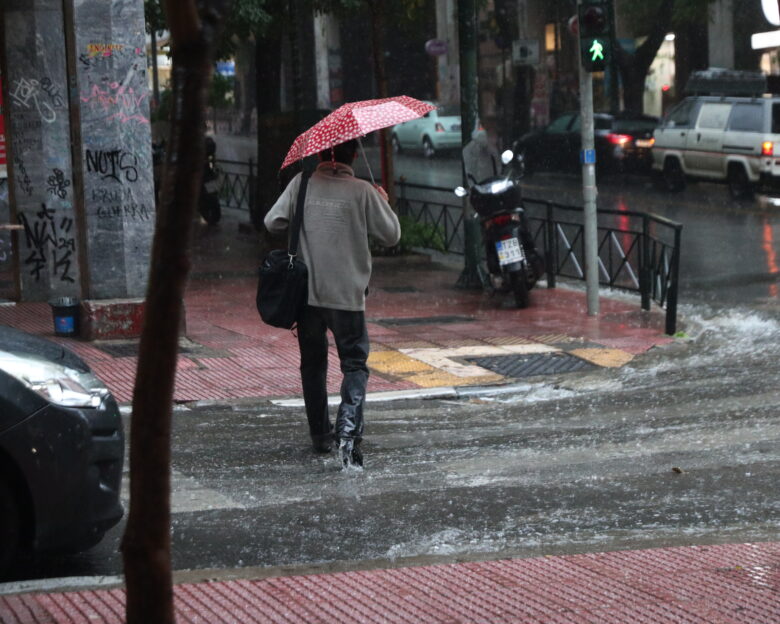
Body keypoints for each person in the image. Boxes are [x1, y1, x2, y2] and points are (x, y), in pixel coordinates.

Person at [264, 139, 401, 468]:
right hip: (347, 295)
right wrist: (381, 200)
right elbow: (392, 235)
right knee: (354, 363)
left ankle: (320, 436)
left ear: (322, 154)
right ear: (353, 155)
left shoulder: (302, 182)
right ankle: (349, 429)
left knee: (313, 365)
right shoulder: (363, 191)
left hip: (308, 294)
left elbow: (272, 222)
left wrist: (303, 221)